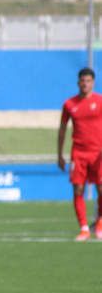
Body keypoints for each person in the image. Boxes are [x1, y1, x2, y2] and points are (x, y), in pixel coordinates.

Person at [57, 67, 102, 241]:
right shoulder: (70, 104)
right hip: (79, 153)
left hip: (98, 152)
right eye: (83, 81)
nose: (85, 84)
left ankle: (99, 223)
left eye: (88, 81)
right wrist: (59, 154)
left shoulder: (100, 102)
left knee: (101, 188)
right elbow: (62, 130)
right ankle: (84, 228)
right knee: (78, 189)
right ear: (78, 83)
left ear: (93, 83)